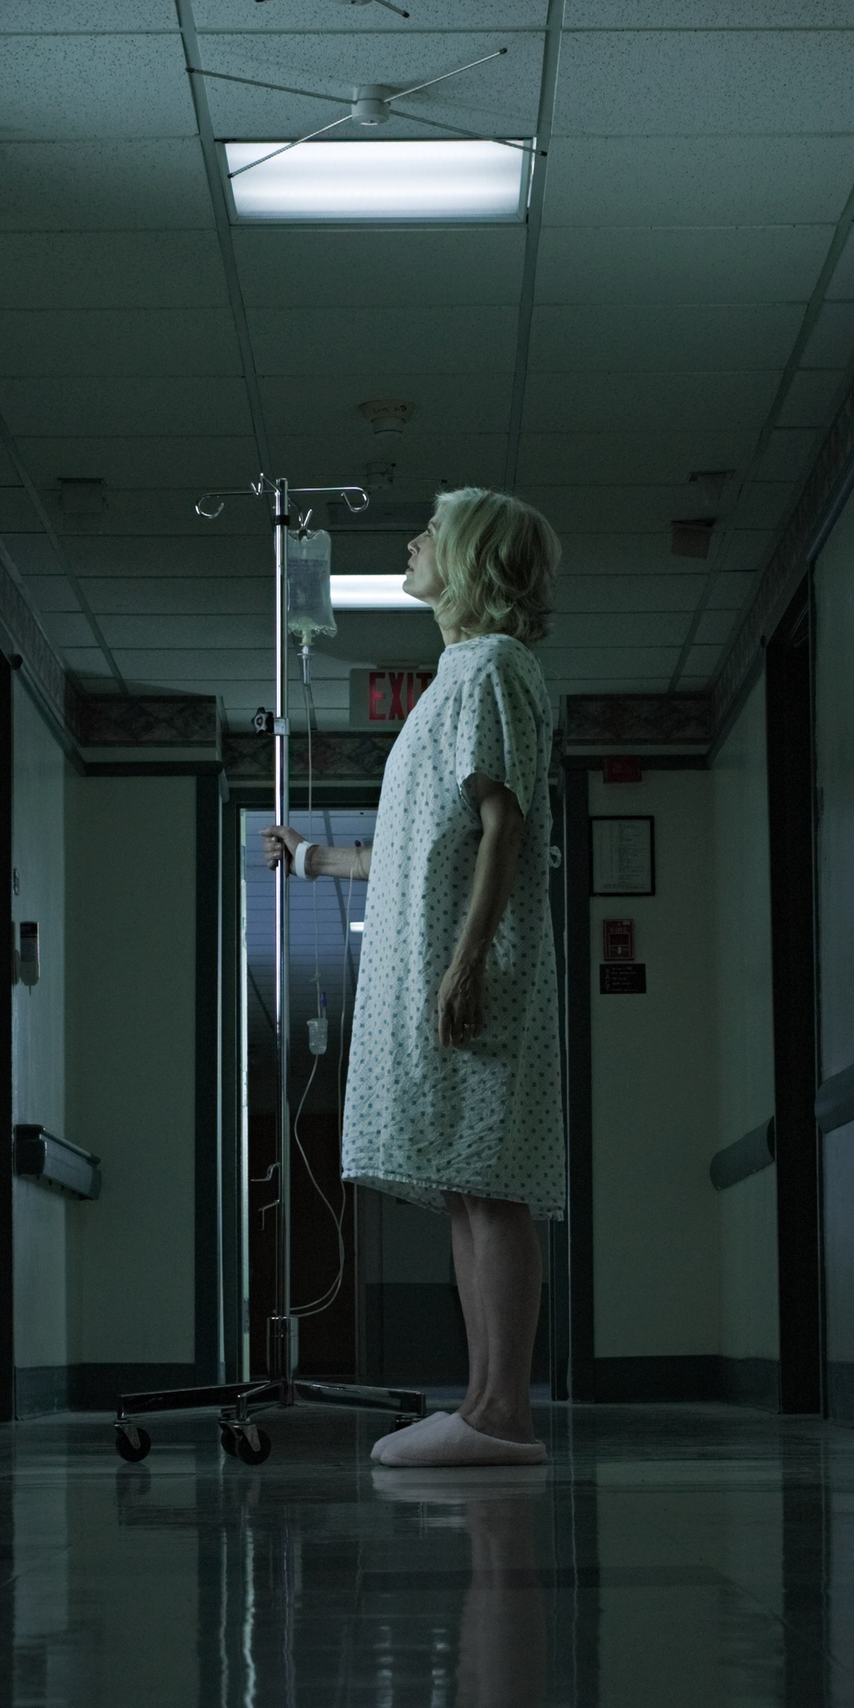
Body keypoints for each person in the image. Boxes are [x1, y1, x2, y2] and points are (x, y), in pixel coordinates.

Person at [263, 486, 566, 1467]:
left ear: (472, 557)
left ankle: (503, 1412)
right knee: (467, 1185)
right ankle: (480, 1402)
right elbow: (415, 848)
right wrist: (313, 862)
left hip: (475, 964)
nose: (411, 540)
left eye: (431, 529)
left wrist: (465, 963)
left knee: (493, 1183)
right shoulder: (455, 679)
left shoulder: (495, 668)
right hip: (438, 959)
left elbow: (502, 825)